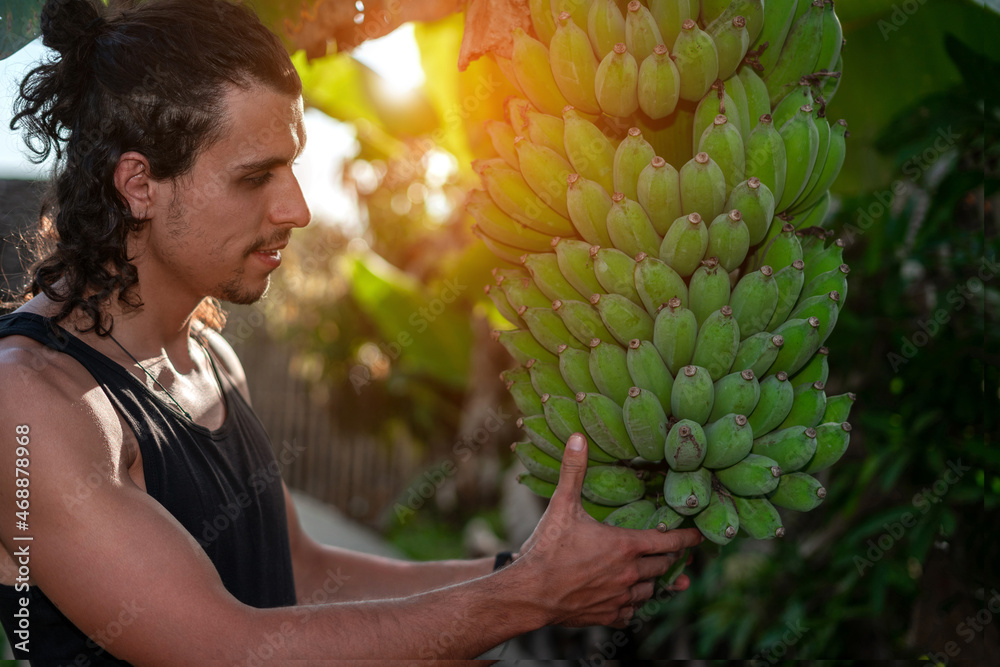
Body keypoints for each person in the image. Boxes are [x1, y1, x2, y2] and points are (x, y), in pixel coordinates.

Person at [0, 0, 703, 663]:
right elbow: (228, 648)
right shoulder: (32, 402)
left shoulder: (205, 353)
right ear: (139, 184)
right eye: (256, 177)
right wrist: (524, 597)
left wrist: (526, 573)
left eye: (294, 167)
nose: (299, 208)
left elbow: (305, 574)